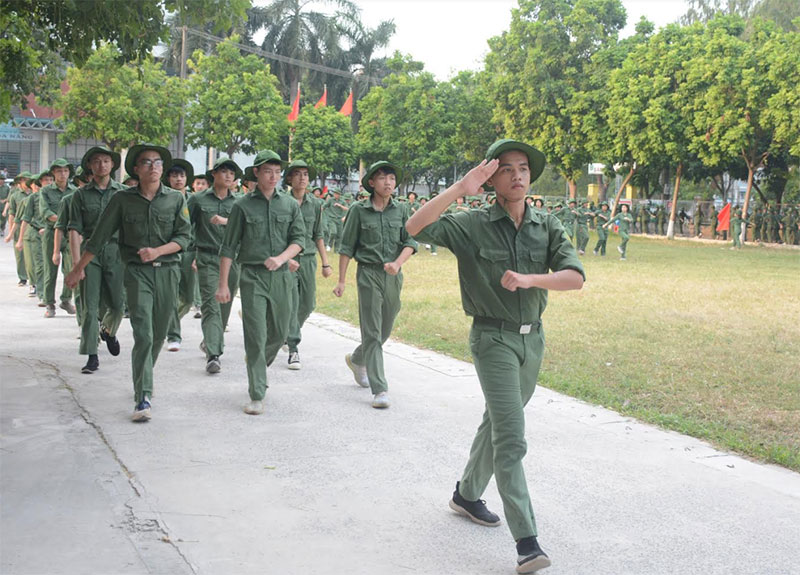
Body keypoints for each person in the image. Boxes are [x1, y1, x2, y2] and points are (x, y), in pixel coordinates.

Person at [406, 139, 584, 575]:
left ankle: (466, 494)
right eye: (507, 169)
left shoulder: (547, 225)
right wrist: (458, 190)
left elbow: (574, 278)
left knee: (497, 422)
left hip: (532, 342)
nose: (518, 175)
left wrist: (529, 279)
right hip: (492, 341)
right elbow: (414, 227)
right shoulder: (472, 224)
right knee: (511, 437)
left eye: (523, 168)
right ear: (492, 177)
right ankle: (527, 541)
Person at [67, 144, 192, 421]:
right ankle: (143, 397)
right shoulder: (122, 200)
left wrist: (158, 251)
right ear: (135, 169)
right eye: (146, 163)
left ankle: (144, 374)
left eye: (158, 163)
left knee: (158, 335)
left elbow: (184, 238)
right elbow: (98, 238)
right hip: (137, 274)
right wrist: (77, 269)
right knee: (144, 334)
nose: (153, 167)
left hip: (168, 271)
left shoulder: (175, 200)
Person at [216, 150, 305, 416]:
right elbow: (228, 247)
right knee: (255, 336)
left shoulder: (289, 205)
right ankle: (256, 392)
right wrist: (224, 285)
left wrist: (281, 258)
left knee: (279, 334)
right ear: (256, 173)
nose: (273, 176)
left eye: (277, 172)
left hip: (280, 278)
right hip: (252, 277)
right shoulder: (242, 206)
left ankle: (257, 363)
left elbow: (299, 240)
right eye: (268, 171)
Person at [333, 161, 416, 409]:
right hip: (368, 273)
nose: (388, 182)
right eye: (382, 178)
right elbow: (346, 247)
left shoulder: (401, 210)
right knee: (371, 331)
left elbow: (410, 242)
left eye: (391, 178)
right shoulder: (359, 211)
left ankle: (358, 358)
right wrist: (341, 280)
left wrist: (398, 263)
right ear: (371, 183)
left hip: (393, 275)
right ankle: (380, 389)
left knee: (385, 329)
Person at [68, 147, 127, 374]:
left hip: (116, 252)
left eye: (106, 161)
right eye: (96, 161)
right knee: (89, 306)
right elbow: (74, 230)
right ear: (89, 166)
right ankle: (92, 355)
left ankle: (109, 331)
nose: (101, 165)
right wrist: (77, 265)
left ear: (112, 165)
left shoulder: (122, 194)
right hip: (89, 254)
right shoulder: (80, 195)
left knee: (117, 304)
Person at [190, 157, 242, 374]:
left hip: (233, 261)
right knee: (211, 304)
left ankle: (210, 340)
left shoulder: (239, 203)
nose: (228, 175)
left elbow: (247, 228)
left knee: (224, 306)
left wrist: (225, 221)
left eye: (232, 172)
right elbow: (184, 226)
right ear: (214, 174)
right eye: (224, 171)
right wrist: (191, 254)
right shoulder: (198, 200)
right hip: (208, 258)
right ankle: (214, 354)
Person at [284, 160, 332, 370]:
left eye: (305, 174)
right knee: (292, 302)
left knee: (308, 303)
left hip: (309, 259)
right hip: (288, 260)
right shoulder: (282, 202)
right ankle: (294, 348)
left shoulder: (316, 204)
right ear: (289, 179)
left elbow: (318, 234)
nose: (302, 178)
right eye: (297, 174)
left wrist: (325, 263)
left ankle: (289, 331)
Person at [164, 159, 196, 352]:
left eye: (181, 176)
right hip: (169, 252)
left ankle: (165, 319)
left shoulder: (195, 199)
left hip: (190, 251)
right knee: (170, 294)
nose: (178, 179)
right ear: (168, 178)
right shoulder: (164, 198)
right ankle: (173, 335)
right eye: (174, 175)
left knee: (188, 298)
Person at [39, 159, 77, 317]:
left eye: (66, 171)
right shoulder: (46, 191)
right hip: (51, 233)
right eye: (59, 171)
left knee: (71, 268)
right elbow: (45, 212)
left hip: (70, 235)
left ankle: (66, 299)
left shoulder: (75, 191)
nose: (63, 174)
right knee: (50, 269)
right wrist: (62, 219)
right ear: (53, 173)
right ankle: (49, 303)